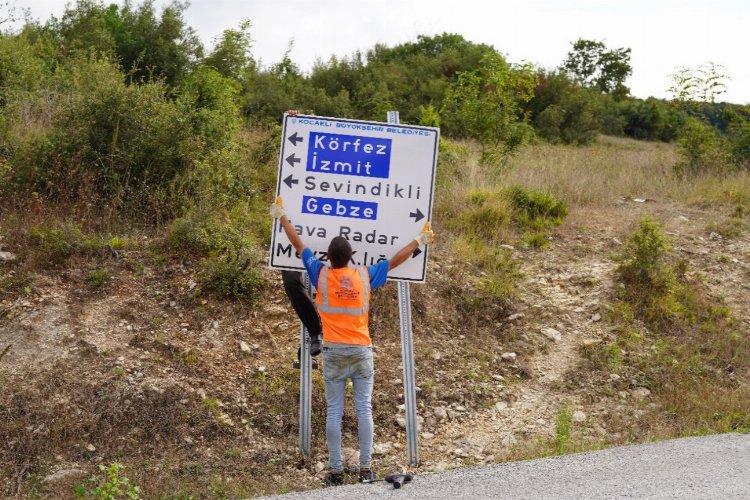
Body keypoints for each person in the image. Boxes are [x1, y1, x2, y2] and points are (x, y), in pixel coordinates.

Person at [270, 196, 434, 485]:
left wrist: (282, 215)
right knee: (363, 409)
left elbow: (298, 244)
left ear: (329, 258)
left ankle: (335, 471)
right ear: (351, 256)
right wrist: (419, 240)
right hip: (361, 350)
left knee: (334, 411)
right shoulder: (363, 275)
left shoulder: (319, 273)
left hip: (333, 351)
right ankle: (366, 469)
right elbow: (395, 260)